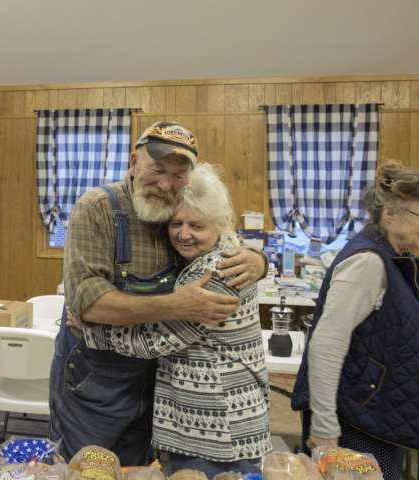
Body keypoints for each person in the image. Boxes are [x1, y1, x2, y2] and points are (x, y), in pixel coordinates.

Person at [49, 121, 268, 466]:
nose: (166, 184)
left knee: (136, 468)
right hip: (95, 382)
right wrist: (176, 305)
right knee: (87, 467)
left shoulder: (177, 208)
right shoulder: (97, 207)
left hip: (157, 382)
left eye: (178, 176)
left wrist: (258, 260)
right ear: (134, 162)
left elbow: (219, 234)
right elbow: (87, 301)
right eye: (158, 169)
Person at [291, 161, 419, 480]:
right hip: (357, 423)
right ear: (389, 215)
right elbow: (326, 345)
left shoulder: (389, 258)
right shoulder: (368, 263)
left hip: (376, 414)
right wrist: (324, 427)